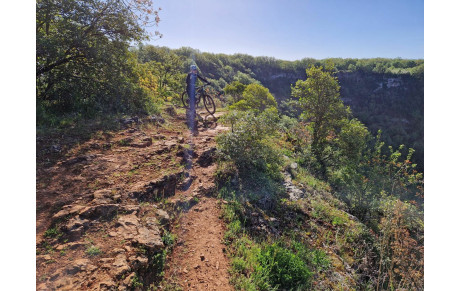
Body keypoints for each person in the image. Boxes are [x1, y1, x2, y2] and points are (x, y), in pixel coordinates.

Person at [186, 65, 209, 132]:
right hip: (189, 88)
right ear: (191, 70)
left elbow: (202, 78)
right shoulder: (189, 74)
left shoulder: (196, 75)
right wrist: (190, 84)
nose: (195, 71)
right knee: (193, 99)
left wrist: (207, 82)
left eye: (195, 70)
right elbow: (186, 82)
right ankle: (192, 110)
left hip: (193, 87)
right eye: (193, 70)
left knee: (196, 97)